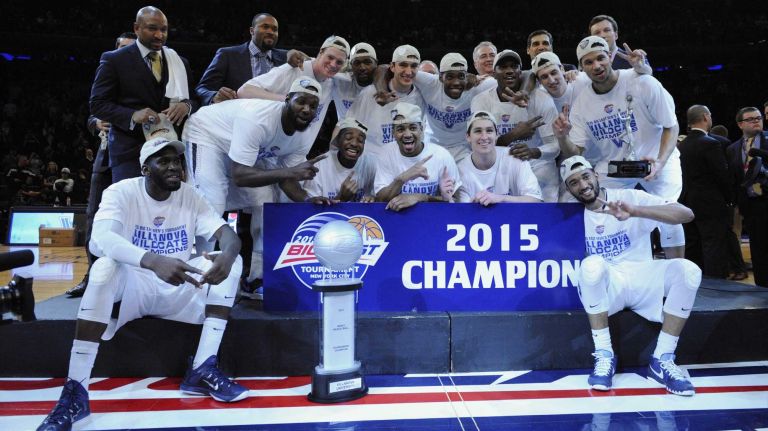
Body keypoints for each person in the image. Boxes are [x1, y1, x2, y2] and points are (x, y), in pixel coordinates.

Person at [36, 138, 247, 431]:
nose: (174, 167)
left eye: (177, 161)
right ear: (145, 168)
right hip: (136, 286)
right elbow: (100, 240)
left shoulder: (190, 195)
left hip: (179, 285)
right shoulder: (121, 192)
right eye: (164, 161)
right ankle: (76, 391)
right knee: (104, 267)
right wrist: (152, 260)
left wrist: (228, 253)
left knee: (231, 262)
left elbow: (227, 234)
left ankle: (202, 367)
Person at [561, 155, 701, 396]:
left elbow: (685, 214)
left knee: (689, 270)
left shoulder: (629, 197)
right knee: (591, 265)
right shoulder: (568, 216)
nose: (583, 185)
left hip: (642, 277)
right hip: (609, 287)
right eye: (574, 182)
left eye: (585, 177)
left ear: (595, 174)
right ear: (568, 189)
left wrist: (636, 211)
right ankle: (604, 355)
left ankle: (663, 359)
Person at [184, 78, 326, 298]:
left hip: (243, 151)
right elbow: (241, 176)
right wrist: (290, 172)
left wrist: (308, 199)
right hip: (208, 135)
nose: (306, 109)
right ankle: (198, 276)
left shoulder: (303, 134)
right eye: (301, 102)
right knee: (212, 201)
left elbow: (288, 181)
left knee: (265, 200)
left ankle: (256, 279)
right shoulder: (259, 118)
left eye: (313, 105)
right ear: (287, 100)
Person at [558, 36, 684, 258]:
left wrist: (660, 161)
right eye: (588, 62)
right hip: (616, 166)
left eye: (600, 58)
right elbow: (576, 153)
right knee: (600, 205)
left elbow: (671, 126)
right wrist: (562, 137)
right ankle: (610, 267)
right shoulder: (581, 104)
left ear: (610, 56)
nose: (596, 66)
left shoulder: (644, 83)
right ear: (582, 67)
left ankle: (676, 273)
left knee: (668, 212)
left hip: (656, 158)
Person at [89, 6, 197, 183]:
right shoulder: (114, 59)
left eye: (164, 29)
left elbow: (195, 98)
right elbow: (97, 104)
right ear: (136, 28)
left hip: (170, 151)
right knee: (131, 208)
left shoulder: (179, 62)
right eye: (152, 28)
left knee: (169, 209)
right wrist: (132, 115)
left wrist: (186, 106)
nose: (159, 35)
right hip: (130, 152)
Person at [67, 32, 138, 298]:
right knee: (95, 217)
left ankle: (128, 280)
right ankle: (92, 276)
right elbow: (92, 115)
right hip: (105, 159)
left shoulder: (143, 88)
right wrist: (96, 123)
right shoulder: (107, 81)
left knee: (129, 220)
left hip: (131, 159)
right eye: (122, 49)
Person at [471, 49, 559, 201]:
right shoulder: (481, 101)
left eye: (514, 66)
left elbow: (555, 146)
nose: (509, 71)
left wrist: (533, 152)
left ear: (521, 72)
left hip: (537, 163)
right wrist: (514, 134)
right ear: (494, 73)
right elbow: (478, 143)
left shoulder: (541, 99)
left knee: (545, 209)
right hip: (500, 163)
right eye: (503, 67)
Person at [374, 102, 461, 211]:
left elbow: (456, 200)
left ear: (422, 129)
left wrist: (420, 197)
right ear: (393, 133)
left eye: (413, 128)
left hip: (433, 220)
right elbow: (380, 200)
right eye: (400, 129)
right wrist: (402, 178)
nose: (407, 134)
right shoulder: (386, 153)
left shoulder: (441, 155)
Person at [411, 52, 497, 161]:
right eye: (450, 76)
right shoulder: (430, 83)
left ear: (466, 76)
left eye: (461, 76)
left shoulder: (477, 87)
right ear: (441, 77)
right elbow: (392, 69)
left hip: (463, 149)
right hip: (432, 147)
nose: (456, 82)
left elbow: (511, 78)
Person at [345, 45, 425, 160]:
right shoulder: (370, 93)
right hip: (372, 164)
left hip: (406, 163)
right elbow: (348, 126)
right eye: (403, 65)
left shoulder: (422, 95)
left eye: (413, 66)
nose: (408, 71)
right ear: (392, 67)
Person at [678, 105, 731, 278]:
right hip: (711, 204)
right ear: (706, 117)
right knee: (714, 246)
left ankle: (696, 285)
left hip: (687, 202)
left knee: (693, 246)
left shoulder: (681, 146)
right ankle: (717, 287)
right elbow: (721, 175)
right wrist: (730, 198)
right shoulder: (711, 143)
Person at [195, 13, 289, 106]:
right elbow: (202, 88)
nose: (270, 32)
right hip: (237, 116)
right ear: (252, 31)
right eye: (265, 27)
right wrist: (214, 96)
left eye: (275, 29)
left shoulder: (287, 58)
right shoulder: (227, 55)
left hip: (276, 116)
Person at [455, 111, 542, 204]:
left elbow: (535, 199)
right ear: (468, 137)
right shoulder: (461, 170)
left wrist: (501, 198)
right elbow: (464, 212)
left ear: (496, 135)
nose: (484, 137)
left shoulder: (515, 157)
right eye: (478, 131)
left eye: (489, 131)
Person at [726, 107, 768, 287]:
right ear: (740, 124)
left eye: (758, 118)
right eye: (751, 119)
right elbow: (734, 180)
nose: (757, 121)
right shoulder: (732, 149)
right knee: (758, 249)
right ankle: (761, 288)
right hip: (751, 206)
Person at [303, 118, 376, 202]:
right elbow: (310, 209)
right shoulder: (319, 166)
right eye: (348, 138)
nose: (354, 144)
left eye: (360, 140)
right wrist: (341, 198)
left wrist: (373, 199)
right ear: (337, 141)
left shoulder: (370, 163)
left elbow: (378, 197)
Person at [331, 42, 378, 119]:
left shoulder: (385, 85)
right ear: (350, 66)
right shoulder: (339, 82)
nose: (362, 67)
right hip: (345, 130)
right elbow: (314, 66)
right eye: (357, 63)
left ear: (376, 63)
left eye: (367, 62)